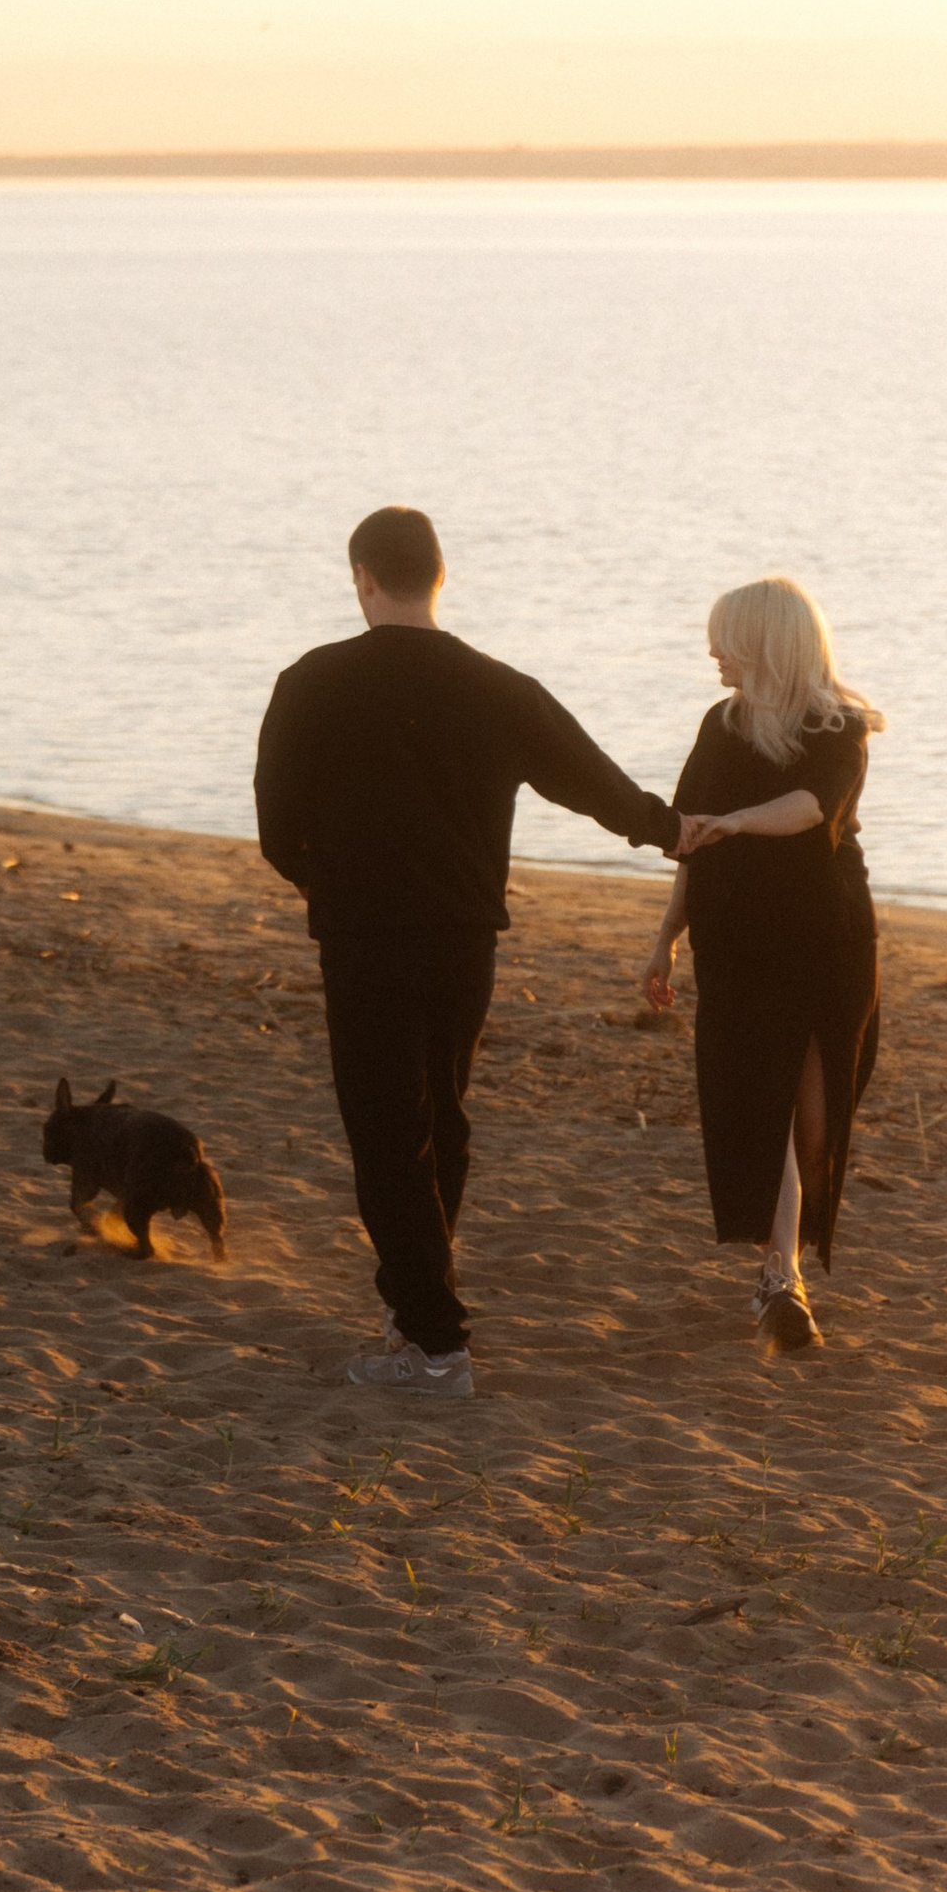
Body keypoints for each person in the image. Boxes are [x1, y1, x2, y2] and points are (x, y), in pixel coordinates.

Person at [255, 505, 683, 1399]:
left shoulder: (311, 682)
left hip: (364, 941)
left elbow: (275, 828)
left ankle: (436, 1344)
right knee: (440, 1119)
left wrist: (327, 885)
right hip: (463, 943)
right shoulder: (498, 687)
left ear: (363, 578)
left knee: (385, 1134)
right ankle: (418, 1308)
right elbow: (591, 780)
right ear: (440, 577)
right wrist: (670, 830)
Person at [642, 576, 883, 1357]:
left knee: (815, 1121)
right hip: (735, 937)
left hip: (826, 936)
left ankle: (787, 1266)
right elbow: (691, 838)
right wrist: (666, 936)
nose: (713, 652)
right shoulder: (720, 724)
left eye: (726, 637)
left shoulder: (839, 725)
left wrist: (738, 821)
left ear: (769, 642)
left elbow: (814, 807)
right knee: (763, 1102)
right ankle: (781, 1281)